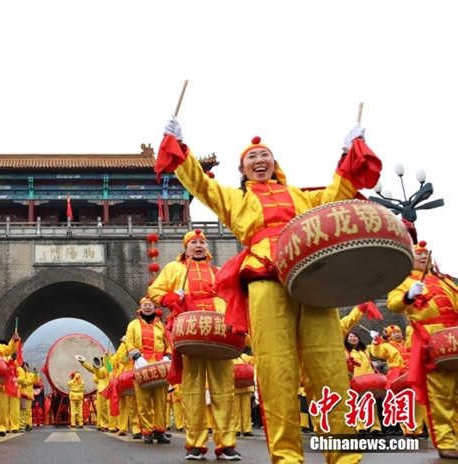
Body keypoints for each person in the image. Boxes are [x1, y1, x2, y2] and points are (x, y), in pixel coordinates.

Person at [159, 116, 379, 463]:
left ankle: (345, 457)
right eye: (252, 157)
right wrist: (181, 149)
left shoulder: (301, 196)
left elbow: (339, 194)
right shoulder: (235, 200)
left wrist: (348, 154)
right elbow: (200, 185)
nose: (260, 161)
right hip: (263, 277)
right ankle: (287, 457)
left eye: (266, 156)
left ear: (275, 164)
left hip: (309, 274)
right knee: (276, 371)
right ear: (242, 169)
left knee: (330, 365)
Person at [148, 229, 240, 460]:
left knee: (223, 390)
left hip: (219, 332)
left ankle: (226, 444)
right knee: (192, 390)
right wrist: (172, 298)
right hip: (190, 332)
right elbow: (154, 292)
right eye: (194, 243)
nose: (199, 246)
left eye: (202, 242)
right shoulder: (174, 269)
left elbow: (232, 297)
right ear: (185, 247)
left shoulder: (217, 272)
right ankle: (195, 444)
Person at [386, 240, 458, 459]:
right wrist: (408, 296)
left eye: (426, 255)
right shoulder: (403, 281)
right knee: (441, 394)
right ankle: (446, 441)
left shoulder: (444, 280)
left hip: (455, 332)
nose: (424, 258)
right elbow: (393, 304)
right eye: (419, 256)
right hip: (433, 340)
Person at [125, 297, 172, 445]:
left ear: (154, 308)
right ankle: (147, 432)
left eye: (150, 305)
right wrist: (137, 356)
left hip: (160, 366)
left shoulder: (161, 326)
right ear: (140, 308)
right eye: (145, 305)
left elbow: (168, 343)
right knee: (143, 401)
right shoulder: (133, 325)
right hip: (142, 365)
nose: (147, 307)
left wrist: (168, 356)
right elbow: (129, 342)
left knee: (160, 400)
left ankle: (160, 431)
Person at [344, 331, 383, 436]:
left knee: (372, 404)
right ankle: (360, 427)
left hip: (370, 379)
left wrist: (375, 340)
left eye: (355, 336)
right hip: (355, 379)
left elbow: (376, 350)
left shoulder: (365, 349)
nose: (353, 338)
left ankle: (375, 428)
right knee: (356, 404)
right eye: (350, 337)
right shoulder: (346, 351)